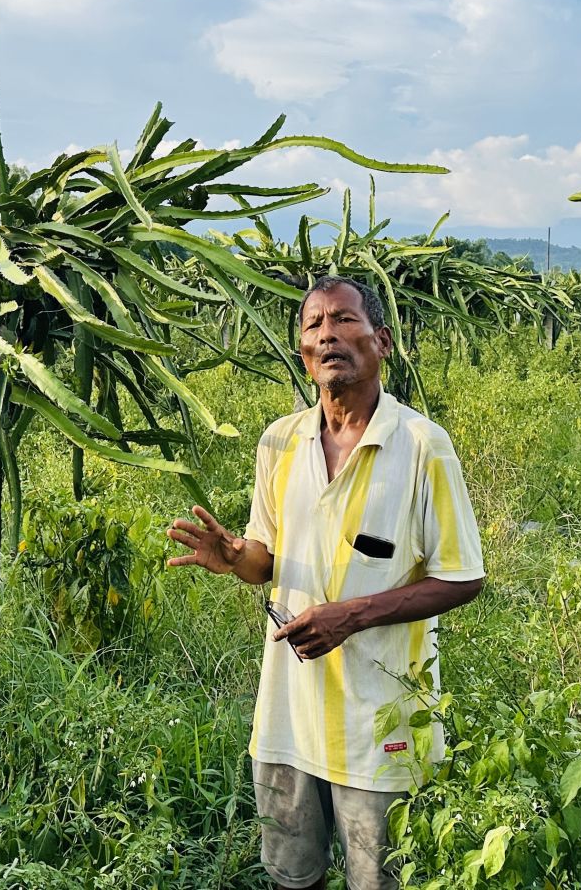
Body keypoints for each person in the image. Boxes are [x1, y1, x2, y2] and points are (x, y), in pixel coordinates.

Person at [167, 275, 486, 890]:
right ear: (302, 351)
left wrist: (352, 614)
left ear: (382, 340)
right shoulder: (280, 441)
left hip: (380, 728)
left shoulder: (422, 446)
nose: (327, 335)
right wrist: (235, 557)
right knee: (293, 877)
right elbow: (268, 559)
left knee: (381, 881)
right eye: (312, 325)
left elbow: (463, 578)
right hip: (287, 719)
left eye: (343, 319)